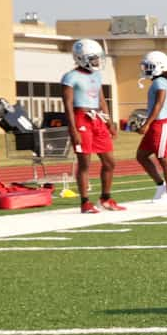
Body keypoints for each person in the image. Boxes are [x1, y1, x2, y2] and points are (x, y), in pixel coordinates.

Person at [61, 37, 122, 213]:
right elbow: (68, 104)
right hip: (81, 118)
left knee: (110, 162)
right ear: (81, 58)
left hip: (97, 118)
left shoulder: (96, 74)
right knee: (85, 163)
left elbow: (101, 99)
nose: (96, 61)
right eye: (93, 58)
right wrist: (73, 129)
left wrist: (109, 121)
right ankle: (85, 202)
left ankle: (106, 198)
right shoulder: (70, 77)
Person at [132, 50, 167, 200]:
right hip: (156, 124)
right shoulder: (158, 82)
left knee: (164, 158)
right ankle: (161, 185)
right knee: (141, 156)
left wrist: (147, 123)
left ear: (158, 66)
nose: (145, 69)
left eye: (149, 66)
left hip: (161, 124)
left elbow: (159, 104)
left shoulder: (160, 82)